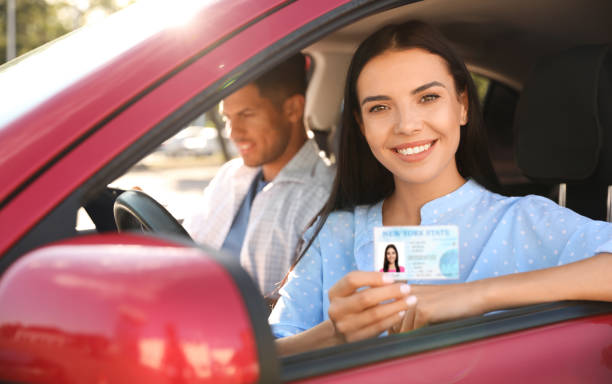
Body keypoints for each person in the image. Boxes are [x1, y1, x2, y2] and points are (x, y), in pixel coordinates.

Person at [269, 21, 612, 356]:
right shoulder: (333, 235)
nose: (407, 125)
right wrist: (333, 336)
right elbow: (266, 357)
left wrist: (474, 295)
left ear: (462, 105)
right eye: (380, 107)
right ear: (361, 125)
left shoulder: (525, 222)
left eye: (428, 97)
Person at [183, 54, 334, 301]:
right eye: (227, 118)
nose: (233, 133)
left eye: (246, 114)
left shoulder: (322, 196)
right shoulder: (231, 175)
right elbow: (188, 241)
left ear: (292, 109)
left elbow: (299, 309)